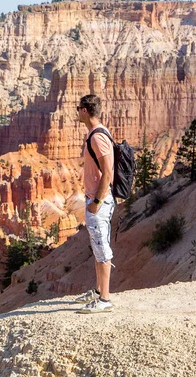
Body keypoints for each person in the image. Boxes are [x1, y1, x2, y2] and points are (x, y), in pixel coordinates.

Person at [74, 94, 116, 313]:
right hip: (94, 200)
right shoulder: (95, 133)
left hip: (98, 202)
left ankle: (105, 299)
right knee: (97, 246)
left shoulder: (97, 136)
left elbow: (108, 171)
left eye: (78, 108)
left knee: (102, 249)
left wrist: (96, 202)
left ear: (84, 111)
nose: (76, 112)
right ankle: (99, 291)